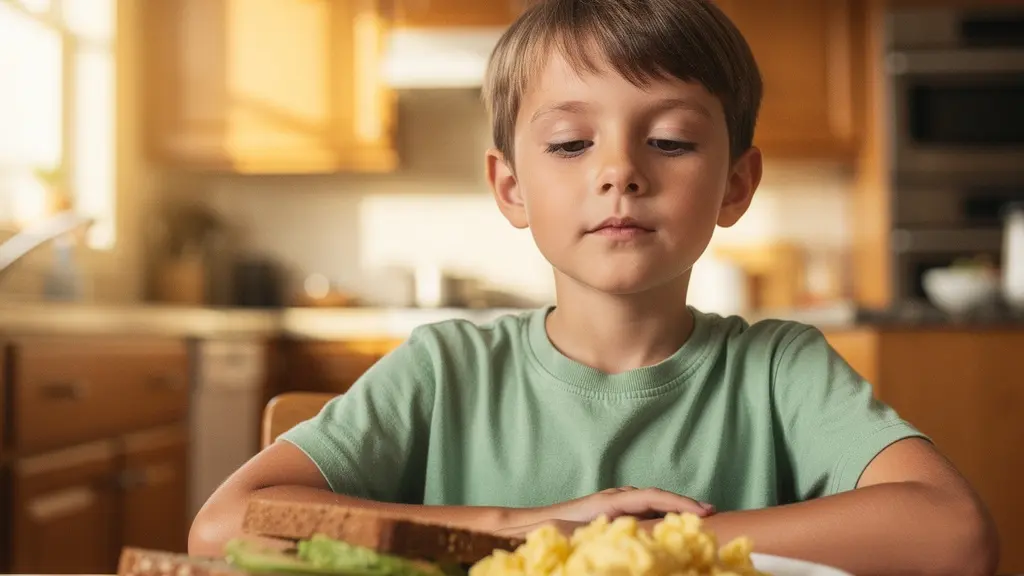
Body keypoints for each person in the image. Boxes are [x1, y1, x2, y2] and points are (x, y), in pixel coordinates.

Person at [189, 1, 999, 574]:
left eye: (671, 140)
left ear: (735, 185)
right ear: (510, 187)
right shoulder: (445, 370)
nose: (620, 171)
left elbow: (953, 534)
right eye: (572, 143)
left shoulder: (781, 369)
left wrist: (636, 551)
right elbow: (224, 527)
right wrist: (519, 529)